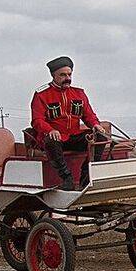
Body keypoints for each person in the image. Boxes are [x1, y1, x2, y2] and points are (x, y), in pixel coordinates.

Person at [30, 56, 108, 189]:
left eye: (69, 74)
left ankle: (87, 175)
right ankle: (66, 178)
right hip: (54, 139)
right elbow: (37, 120)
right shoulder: (42, 95)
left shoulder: (78, 93)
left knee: (99, 138)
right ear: (53, 75)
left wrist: (95, 125)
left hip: (73, 136)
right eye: (63, 75)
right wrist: (50, 130)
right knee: (51, 140)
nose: (67, 78)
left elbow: (88, 115)